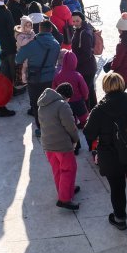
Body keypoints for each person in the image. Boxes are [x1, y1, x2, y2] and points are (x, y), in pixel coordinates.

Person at [84, 72, 127, 231]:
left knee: (117, 188)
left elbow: (89, 133)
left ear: (105, 87)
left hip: (112, 156)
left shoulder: (99, 110)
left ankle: (120, 219)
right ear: (122, 84)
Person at [38, 83, 80, 211]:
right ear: (67, 96)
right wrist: (76, 139)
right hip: (62, 145)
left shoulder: (43, 103)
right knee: (69, 169)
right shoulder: (62, 105)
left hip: (47, 145)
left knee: (58, 170)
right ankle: (65, 199)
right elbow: (70, 126)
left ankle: (65, 190)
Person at [15, 21, 61, 136]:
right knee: (50, 103)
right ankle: (53, 126)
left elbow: (18, 59)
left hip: (34, 78)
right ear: (51, 30)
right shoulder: (56, 44)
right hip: (50, 78)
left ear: (39, 29)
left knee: (36, 104)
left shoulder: (31, 44)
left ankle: (41, 129)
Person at [52, 51, 90, 131]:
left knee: (71, 118)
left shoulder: (58, 75)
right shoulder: (77, 75)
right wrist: (85, 97)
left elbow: (54, 88)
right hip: (78, 101)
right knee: (84, 118)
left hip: (65, 102)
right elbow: (85, 90)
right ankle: (84, 126)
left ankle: (73, 127)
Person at [105, 14, 127, 97]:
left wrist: (111, 66)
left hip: (123, 76)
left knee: (117, 97)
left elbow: (117, 62)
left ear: (121, 29)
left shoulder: (121, 45)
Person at [70, 11, 98, 109]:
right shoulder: (82, 29)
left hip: (86, 68)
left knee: (86, 91)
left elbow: (86, 54)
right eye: (73, 21)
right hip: (88, 66)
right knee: (90, 89)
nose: (75, 23)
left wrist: (74, 62)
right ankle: (94, 109)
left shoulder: (84, 33)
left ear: (82, 19)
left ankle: (89, 111)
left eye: (77, 21)